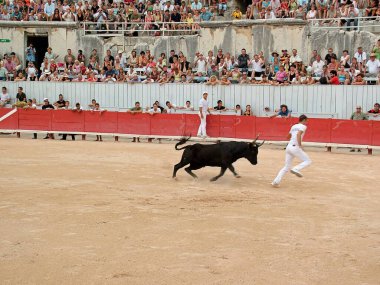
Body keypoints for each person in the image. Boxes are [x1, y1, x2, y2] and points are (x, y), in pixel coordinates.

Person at [271, 114, 312, 188]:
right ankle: (296, 168)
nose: (306, 122)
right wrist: (300, 145)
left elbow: (288, 137)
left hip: (289, 147)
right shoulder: (303, 126)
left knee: (286, 167)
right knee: (308, 161)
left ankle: (275, 181)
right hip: (295, 147)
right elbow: (299, 134)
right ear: (304, 120)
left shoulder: (293, 126)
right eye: (306, 120)